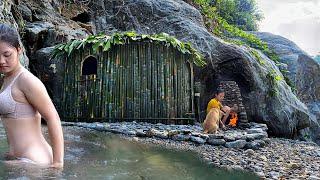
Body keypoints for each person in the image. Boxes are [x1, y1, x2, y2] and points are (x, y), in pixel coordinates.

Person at [0, 24, 64, 168]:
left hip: (33, 160)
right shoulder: (7, 79)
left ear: (19, 50)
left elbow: (52, 117)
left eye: (7, 54)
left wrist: (58, 162)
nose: (1, 61)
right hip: (19, 159)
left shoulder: (26, 80)